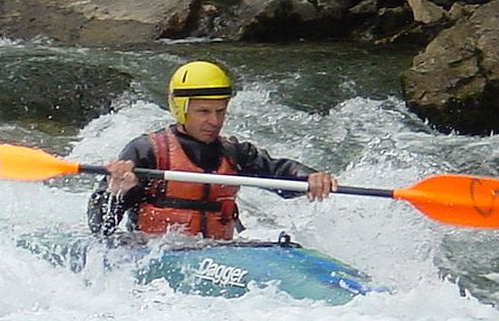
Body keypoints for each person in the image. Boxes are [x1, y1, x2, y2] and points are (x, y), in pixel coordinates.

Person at [87, 60, 337, 241]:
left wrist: (311, 178)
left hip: (218, 253)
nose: (214, 121)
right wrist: (117, 190)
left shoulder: (233, 151)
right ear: (181, 109)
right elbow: (99, 226)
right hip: (154, 254)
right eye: (203, 112)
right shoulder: (146, 151)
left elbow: (280, 174)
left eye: (220, 111)